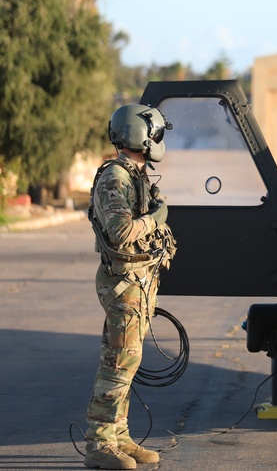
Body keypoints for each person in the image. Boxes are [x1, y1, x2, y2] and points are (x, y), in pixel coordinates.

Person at [84, 104, 175, 469]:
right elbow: (121, 233)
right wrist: (153, 221)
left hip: (137, 282)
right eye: (154, 133)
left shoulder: (135, 175)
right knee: (120, 362)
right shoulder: (116, 178)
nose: (158, 141)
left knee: (125, 359)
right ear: (141, 136)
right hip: (124, 283)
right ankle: (100, 443)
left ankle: (118, 436)